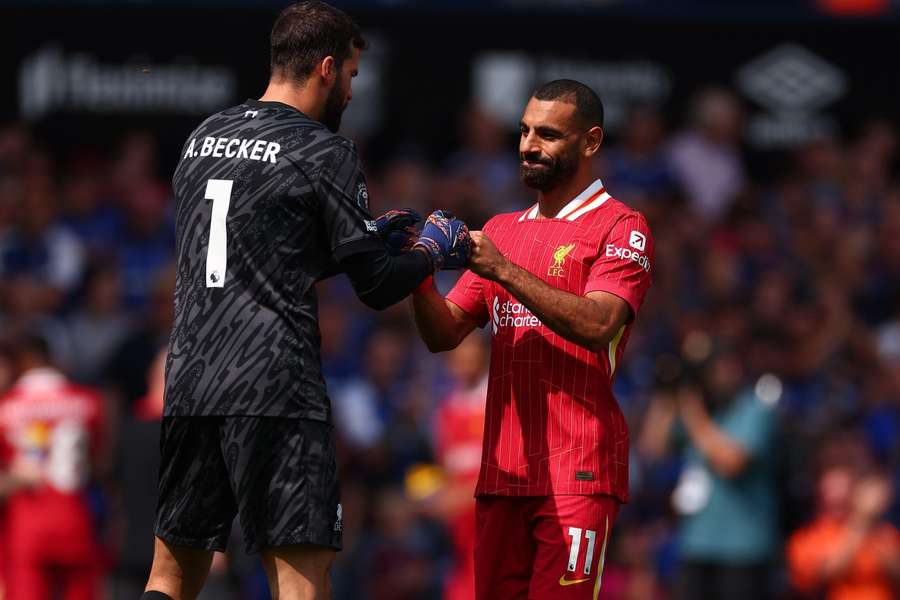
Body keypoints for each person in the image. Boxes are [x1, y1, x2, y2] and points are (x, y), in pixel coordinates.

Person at [143, 2, 471, 599]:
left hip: (189, 381)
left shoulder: (202, 138)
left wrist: (357, 241)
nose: (350, 90)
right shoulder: (324, 150)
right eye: (350, 75)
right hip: (274, 385)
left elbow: (245, 256)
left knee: (170, 577)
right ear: (326, 68)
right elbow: (376, 288)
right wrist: (429, 252)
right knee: (301, 581)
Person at [409, 79, 654, 599]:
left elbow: (598, 324)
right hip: (501, 473)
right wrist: (417, 274)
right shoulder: (501, 228)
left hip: (578, 472)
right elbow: (444, 333)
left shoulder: (622, 225)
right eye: (523, 131)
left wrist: (504, 269)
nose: (528, 145)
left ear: (590, 142)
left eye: (547, 134)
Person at [0, 332, 107, 600]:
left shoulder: (7, 404)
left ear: (22, 362)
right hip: (76, 518)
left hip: (27, 520)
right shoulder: (89, 400)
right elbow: (99, 462)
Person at [787, 464, 900, 600]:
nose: (837, 499)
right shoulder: (807, 537)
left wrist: (872, 527)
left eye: (844, 494)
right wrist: (862, 520)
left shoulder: (884, 532)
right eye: (831, 493)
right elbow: (826, 575)